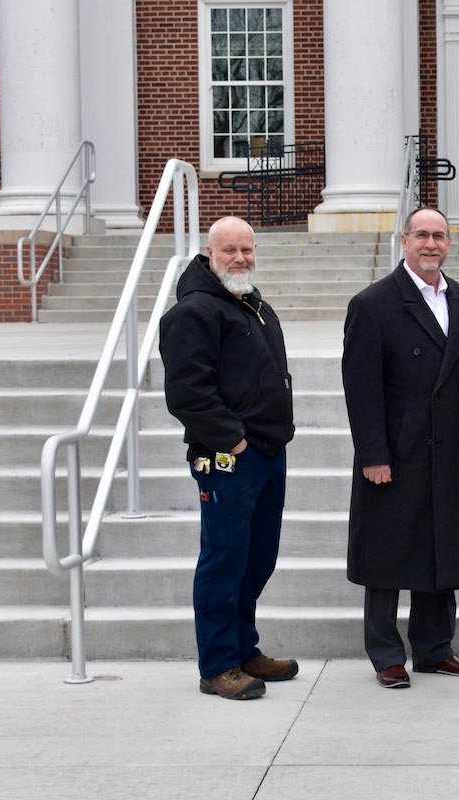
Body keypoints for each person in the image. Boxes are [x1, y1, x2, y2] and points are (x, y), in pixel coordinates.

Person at [342, 207, 459, 689]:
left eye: (440, 236)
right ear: (403, 241)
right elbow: (361, 389)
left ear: (449, 244)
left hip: (448, 450)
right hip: (396, 452)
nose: (431, 244)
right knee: (385, 554)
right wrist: (373, 455)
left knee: (441, 550)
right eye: (422, 235)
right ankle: (385, 652)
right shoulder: (374, 303)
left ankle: (433, 648)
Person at [159, 216, 298, 701]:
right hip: (229, 458)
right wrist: (233, 441)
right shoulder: (194, 312)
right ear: (209, 253)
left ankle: (243, 648)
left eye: (247, 250)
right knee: (223, 559)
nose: (240, 258)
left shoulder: (249, 304)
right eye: (229, 251)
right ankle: (218, 665)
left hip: (267, 452)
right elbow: (187, 395)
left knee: (256, 558)